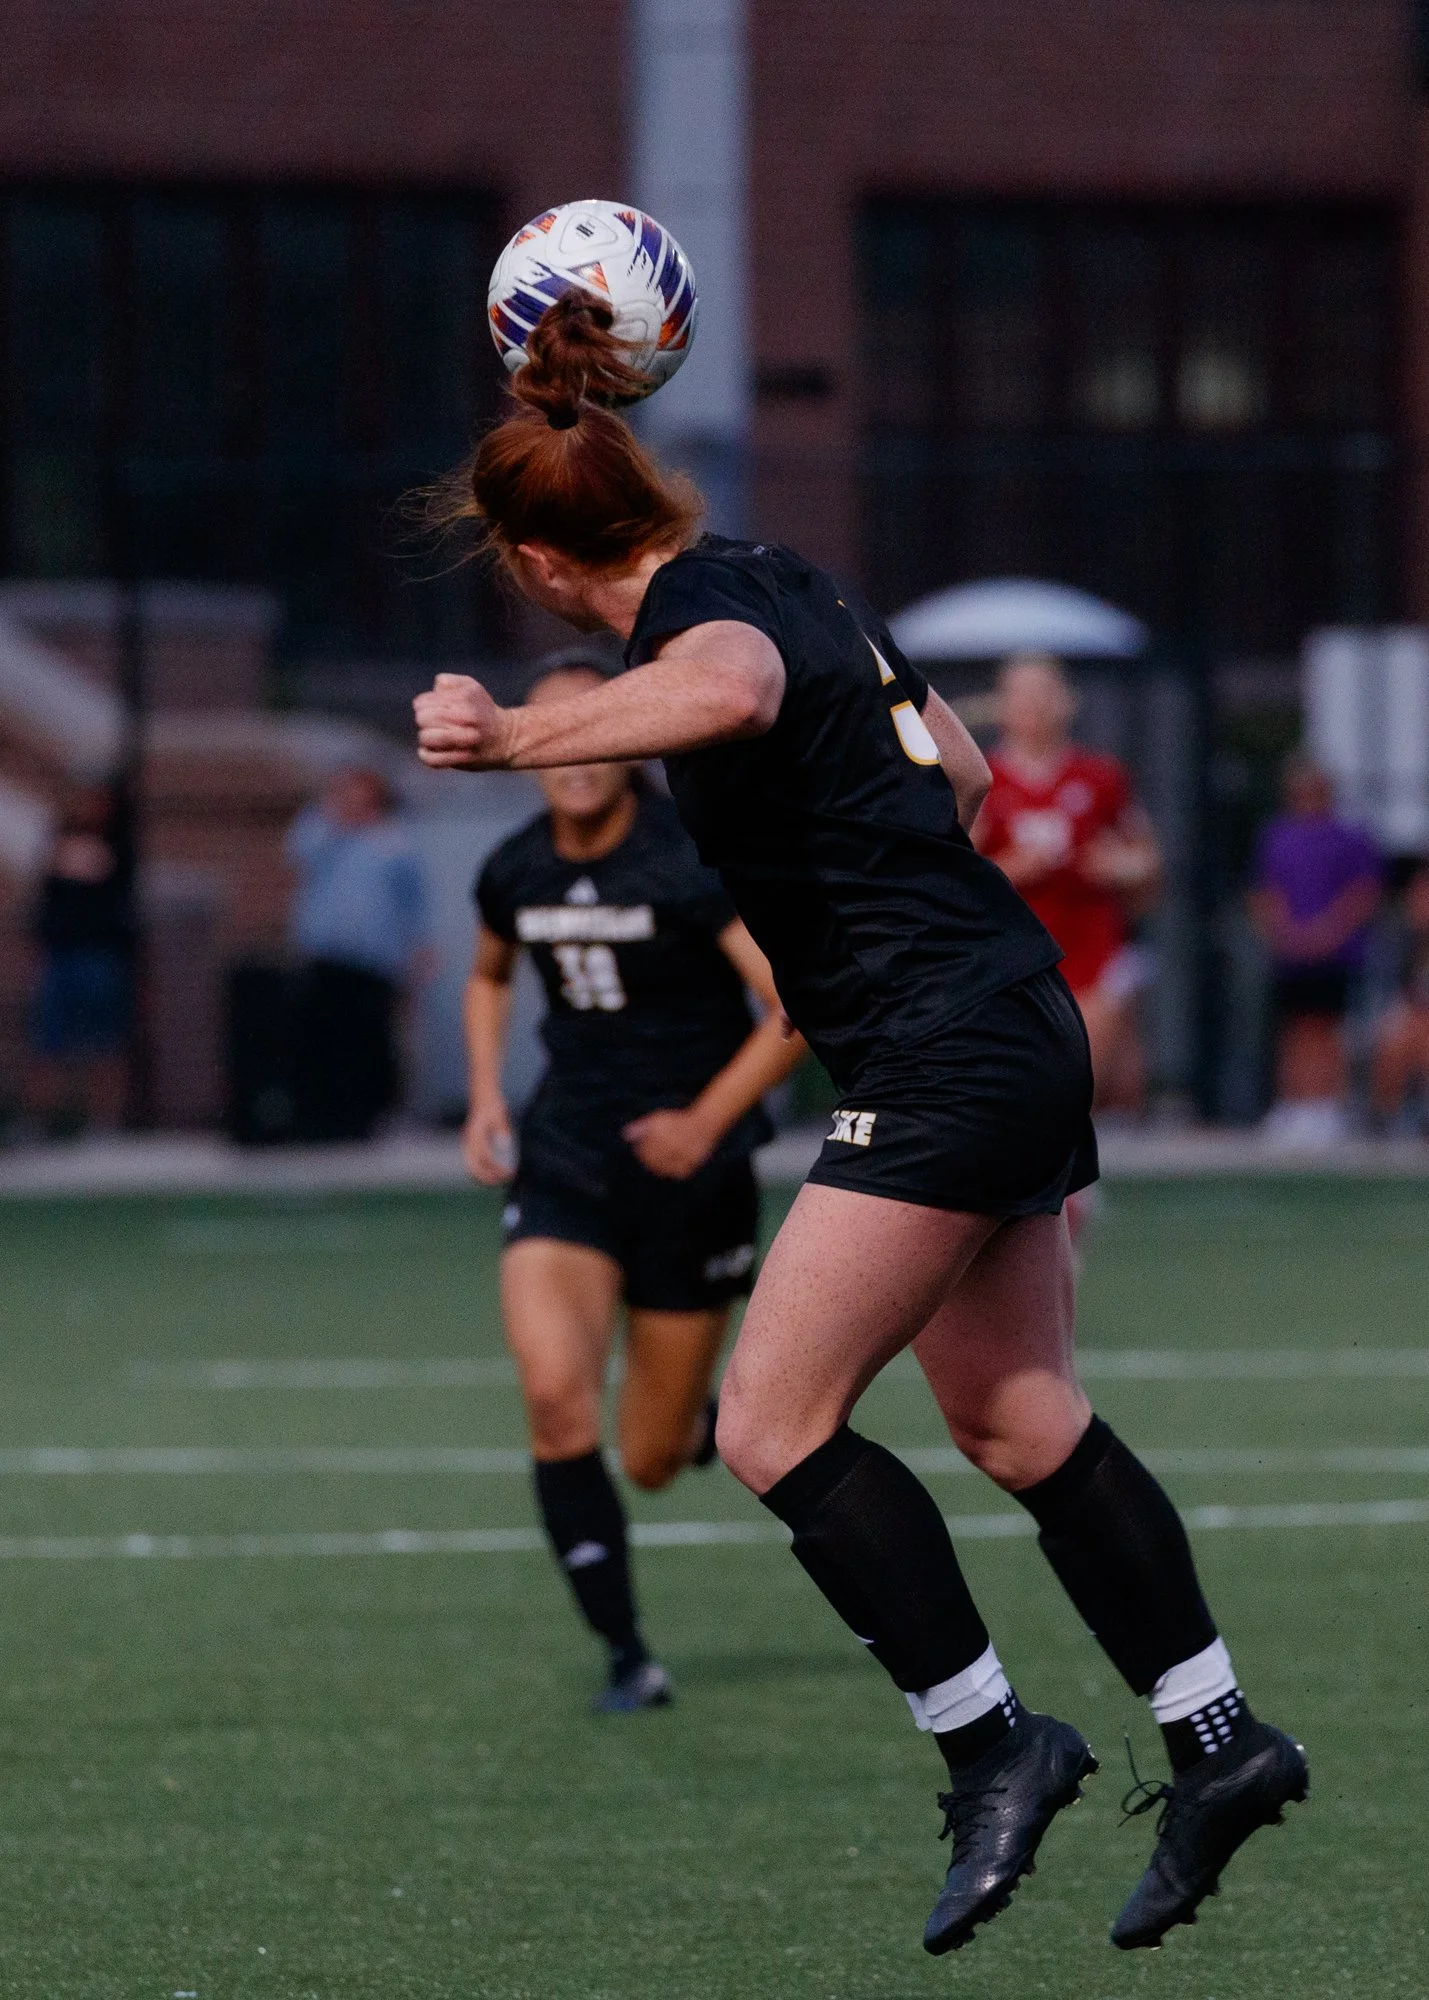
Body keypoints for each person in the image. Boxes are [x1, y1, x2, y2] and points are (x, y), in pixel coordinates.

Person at [413, 294, 1307, 1957]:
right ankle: (1216, 1736)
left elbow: (734, 692)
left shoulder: (703, 624)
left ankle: (991, 1744)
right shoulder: (790, 571)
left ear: (536, 565)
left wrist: (517, 735)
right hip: (1010, 1012)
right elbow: (959, 772)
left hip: (937, 1046)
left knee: (768, 1423)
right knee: (1015, 1418)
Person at [466, 650, 807, 1713]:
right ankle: (625, 1652)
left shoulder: (686, 858)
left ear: (632, 739)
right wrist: (483, 1095)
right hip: (565, 1157)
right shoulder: (514, 868)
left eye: (597, 728)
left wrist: (704, 1122)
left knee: (652, 1457)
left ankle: (688, 1422)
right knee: (554, 1397)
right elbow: (487, 973)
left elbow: (796, 1004)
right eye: (551, 734)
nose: (573, 757)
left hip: (690, 1178)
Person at [973, 654, 1160, 1112]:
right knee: (1026, 1087)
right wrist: (1010, 869)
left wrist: (1118, 866)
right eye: (1020, 694)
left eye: (1043, 693)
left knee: (1082, 1079)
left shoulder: (1100, 777)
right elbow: (958, 872)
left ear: (1066, 701)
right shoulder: (982, 779)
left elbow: (1147, 860)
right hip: (1011, 958)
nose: (1032, 706)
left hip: (1090, 948)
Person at [285, 766, 431, 1142]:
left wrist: (421, 947)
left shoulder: (393, 841)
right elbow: (298, 853)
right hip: (327, 956)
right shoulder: (320, 829)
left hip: (374, 960)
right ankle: (323, 1115)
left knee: (369, 1040)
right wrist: (335, 817)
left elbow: (413, 900)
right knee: (324, 1038)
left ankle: (368, 1116)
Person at [1248, 758, 1382, 1150]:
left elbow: (1364, 894)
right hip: (1290, 953)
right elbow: (1264, 892)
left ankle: (1325, 1107)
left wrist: (1328, 932)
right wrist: (1284, 932)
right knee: (1292, 1028)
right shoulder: (1276, 837)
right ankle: (1293, 1104)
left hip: (1335, 954)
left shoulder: (1351, 837)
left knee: (1325, 1027)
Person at [26, 781, 136, 1134]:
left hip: (99, 954)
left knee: (104, 1043)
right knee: (49, 1043)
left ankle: (105, 1123)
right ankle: (46, 1122)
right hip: (60, 953)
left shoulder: (120, 845)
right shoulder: (56, 843)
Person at [1369, 860, 1429, 1130]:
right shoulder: (1398, 942)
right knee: (1394, 1039)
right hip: (1412, 1021)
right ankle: (1389, 1122)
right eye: (1416, 892)